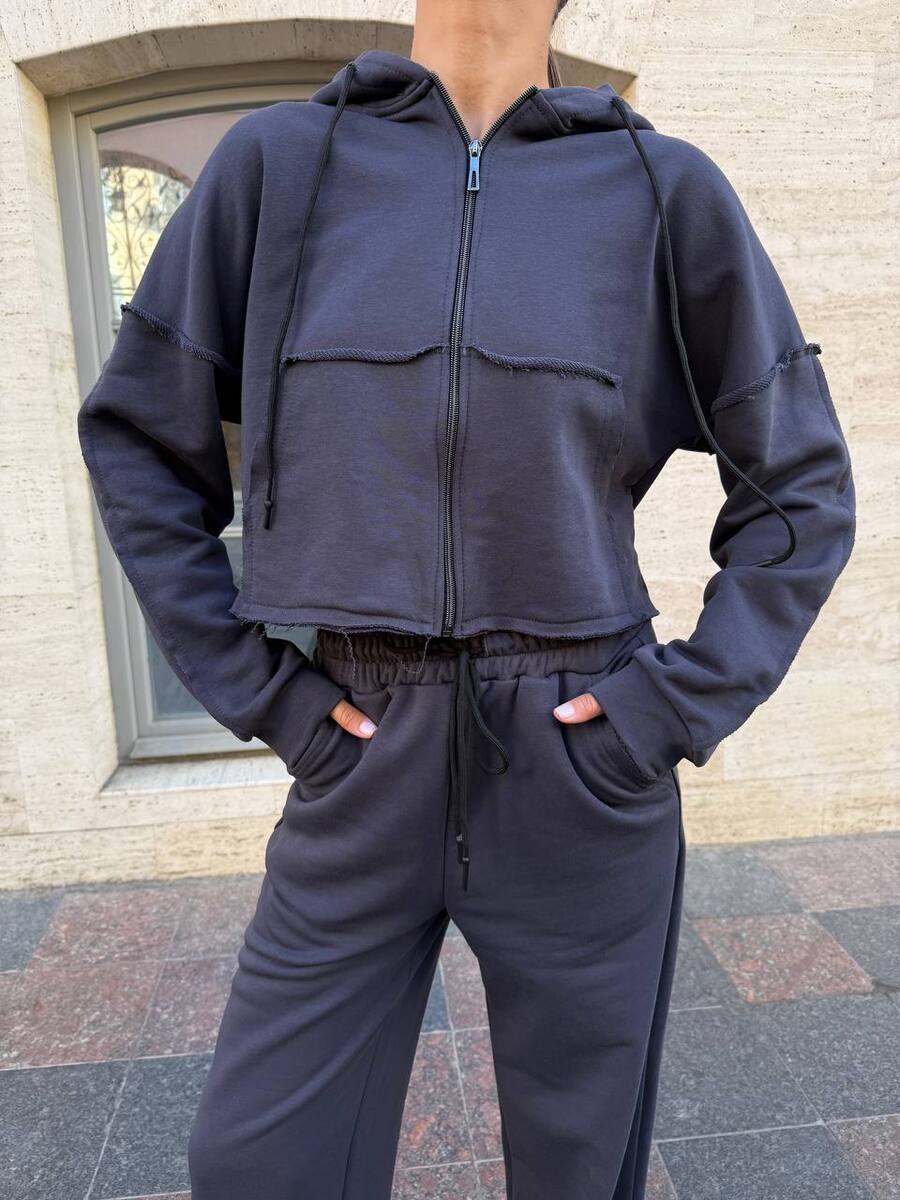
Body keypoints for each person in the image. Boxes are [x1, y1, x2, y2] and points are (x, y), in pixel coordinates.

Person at [76, 1, 856, 1196]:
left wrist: (670, 709)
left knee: (578, 1170)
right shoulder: (278, 164)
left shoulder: (661, 189)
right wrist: (264, 693)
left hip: (579, 759)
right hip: (360, 745)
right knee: (257, 1165)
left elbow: (799, 483)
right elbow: (138, 440)